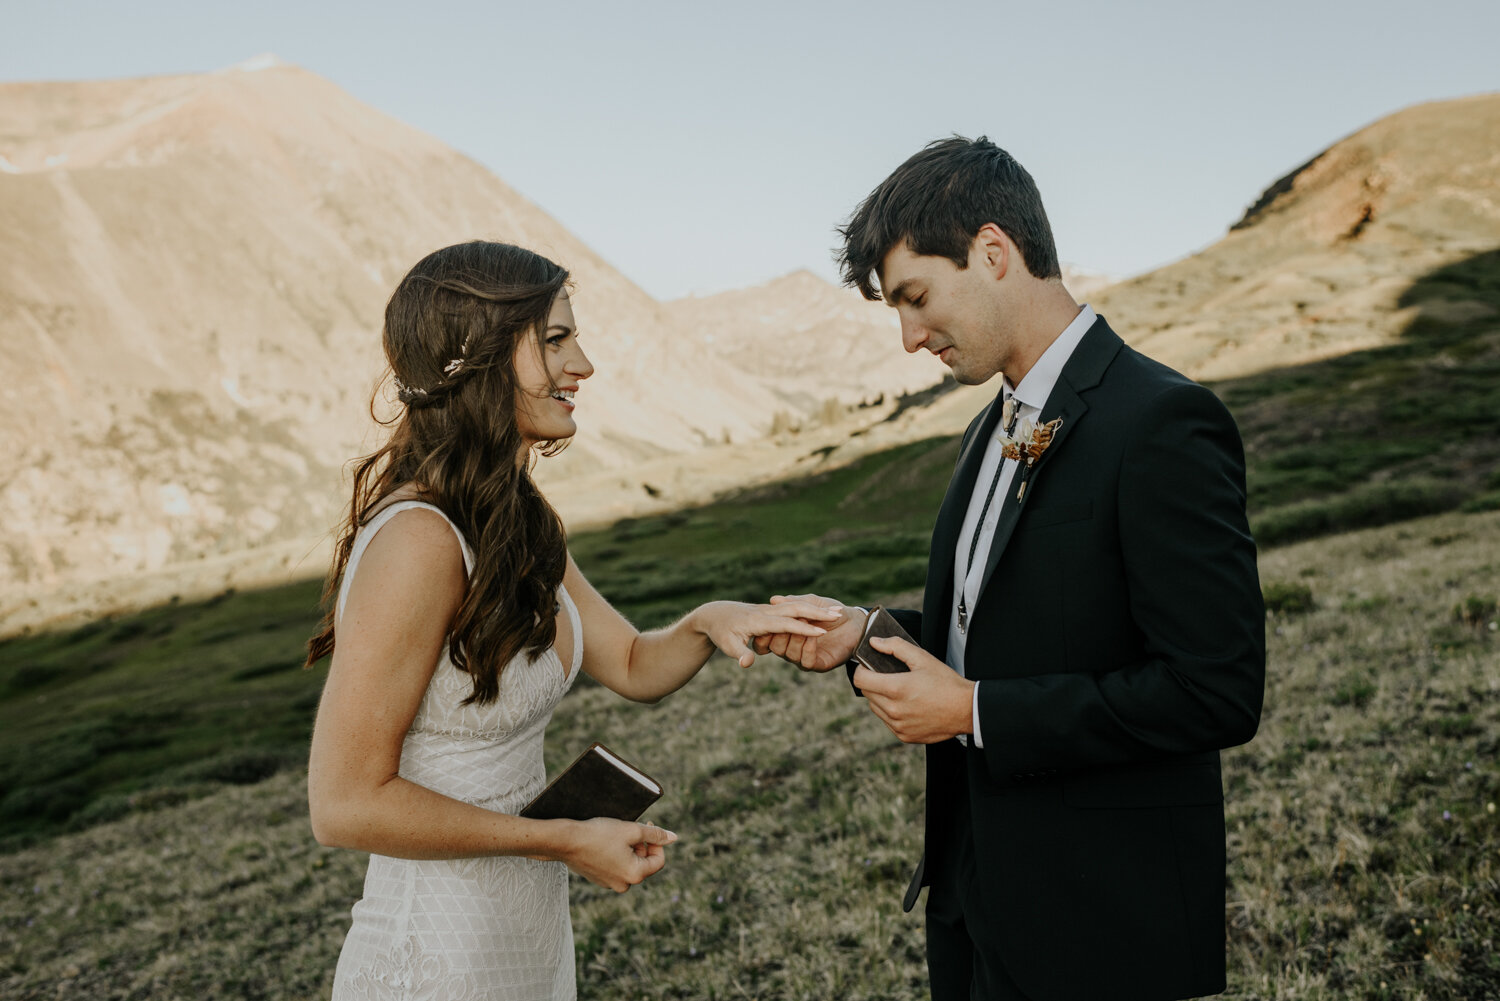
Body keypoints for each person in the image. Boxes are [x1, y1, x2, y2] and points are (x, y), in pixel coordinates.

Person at [757, 138, 1266, 1001]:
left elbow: (1215, 689)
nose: (910, 337)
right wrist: (866, 635)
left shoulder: (1163, 422)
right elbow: (1003, 629)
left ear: (994, 252)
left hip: (1099, 923)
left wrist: (972, 710)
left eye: (916, 298)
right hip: (973, 905)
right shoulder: (983, 430)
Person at [305, 241, 836, 1001]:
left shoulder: (518, 517)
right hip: (435, 956)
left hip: (524, 941)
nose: (582, 364)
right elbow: (344, 803)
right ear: (476, 356)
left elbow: (631, 663)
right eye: (555, 339)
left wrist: (710, 620)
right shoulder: (419, 539)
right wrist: (560, 838)